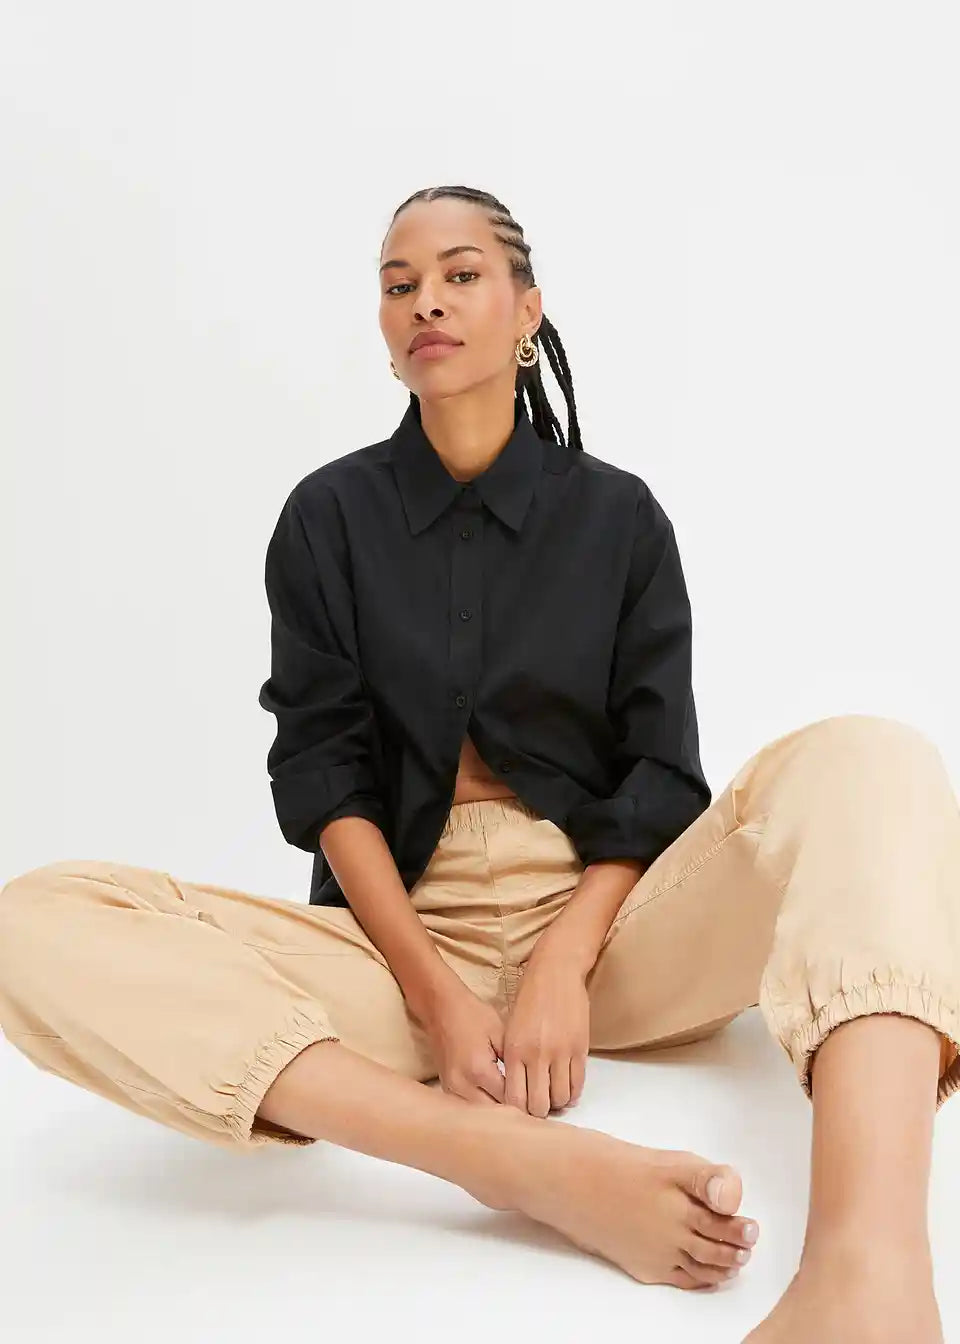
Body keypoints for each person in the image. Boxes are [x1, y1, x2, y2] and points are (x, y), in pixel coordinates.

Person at [1, 185, 956, 1342]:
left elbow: (662, 774)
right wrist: (436, 996)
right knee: (30, 921)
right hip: (400, 943)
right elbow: (324, 780)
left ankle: (868, 1272)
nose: (426, 303)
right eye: (398, 285)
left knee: (872, 758)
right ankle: (504, 1162)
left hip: (619, 934)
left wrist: (565, 960)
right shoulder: (326, 519)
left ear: (527, 310)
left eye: (460, 275)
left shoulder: (619, 519)